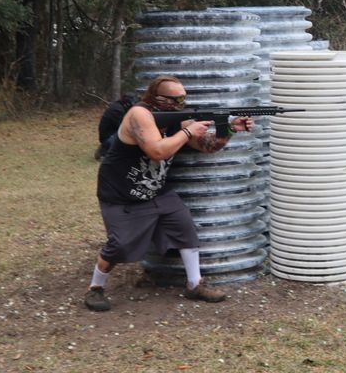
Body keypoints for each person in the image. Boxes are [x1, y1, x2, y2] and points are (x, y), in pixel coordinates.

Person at [84, 75, 254, 311]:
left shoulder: (177, 119)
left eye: (183, 99)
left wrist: (230, 128)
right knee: (120, 245)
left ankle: (195, 284)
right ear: (158, 98)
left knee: (185, 229)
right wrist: (187, 132)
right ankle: (95, 288)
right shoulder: (139, 114)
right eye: (176, 100)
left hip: (155, 190)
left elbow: (207, 146)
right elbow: (157, 151)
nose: (181, 104)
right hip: (120, 192)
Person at [94, 94, 135, 160]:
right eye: (131, 105)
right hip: (108, 137)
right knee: (128, 136)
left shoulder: (118, 107)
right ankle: (104, 152)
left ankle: (107, 148)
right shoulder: (117, 110)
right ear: (127, 104)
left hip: (109, 135)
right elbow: (123, 127)